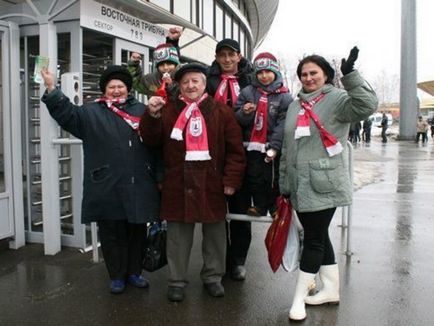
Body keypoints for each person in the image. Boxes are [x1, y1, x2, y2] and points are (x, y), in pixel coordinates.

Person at [40, 66, 161, 294]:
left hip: (139, 181)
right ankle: (116, 276)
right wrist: (51, 88)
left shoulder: (144, 110)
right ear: (105, 91)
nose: (116, 90)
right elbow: (66, 113)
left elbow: (157, 143)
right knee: (111, 231)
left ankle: (135, 273)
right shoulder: (90, 112)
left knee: (137, 231)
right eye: (111, 87)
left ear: (128, 89)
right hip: (106, 182)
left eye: (120, 86)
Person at [279, 47, 378, 321]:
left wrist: (351, 76)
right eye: (304, 73)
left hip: (324, 183)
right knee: (319, 235)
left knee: (312, 239)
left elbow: (367, 105)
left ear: (326, 75)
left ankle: (298, 299)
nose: (308, 78)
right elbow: (288, 148)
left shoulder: (337, 99)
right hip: (299, 185)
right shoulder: (295, 104)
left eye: (314, 73)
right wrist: (284, 182)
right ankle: (331, 290)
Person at [139, 63, 246, 302]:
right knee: (178, 236)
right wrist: (152, 116)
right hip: (178, 182)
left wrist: (230, 180)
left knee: (215, 235)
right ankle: (176, 280)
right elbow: (151, 140)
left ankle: (213, 277)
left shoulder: (221, 111)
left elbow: (236, 151)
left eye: (195, 81)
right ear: (180, 85)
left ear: (203, 83)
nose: (190, 86)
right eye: (186, 82)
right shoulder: (168, 110)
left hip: (212, 182)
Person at [207, 38, 254, 281]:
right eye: (221, 55)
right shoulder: (207, 78)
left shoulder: (252, 78)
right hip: (214, 148)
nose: (226, 59)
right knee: (216, 212)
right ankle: (219, 260)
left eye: (231, 55)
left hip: (243, 148)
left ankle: (237, 261)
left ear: (239, 56)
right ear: (216, 57)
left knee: (240, 210)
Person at [233, 52, 292, 219]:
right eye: (260, 72)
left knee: (273, 177)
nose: (264, 76)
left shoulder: (284, 96)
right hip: (252, 145)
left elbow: (284, 123)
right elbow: (238, 117)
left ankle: (274, 206)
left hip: (273, 145)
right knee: (254, 176)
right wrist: (245, 113)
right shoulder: (247, 92)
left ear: (275, 72)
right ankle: (259, 205)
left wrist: (274, 144)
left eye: (267, 71)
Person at [128, 27, 182, 99]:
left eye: (169, 64)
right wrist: (133, 64)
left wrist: (171, 85)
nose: (165, 67)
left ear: (175, 65)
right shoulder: (151, 79)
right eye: (161, 65)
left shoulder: (184, 76)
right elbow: (136, 83)